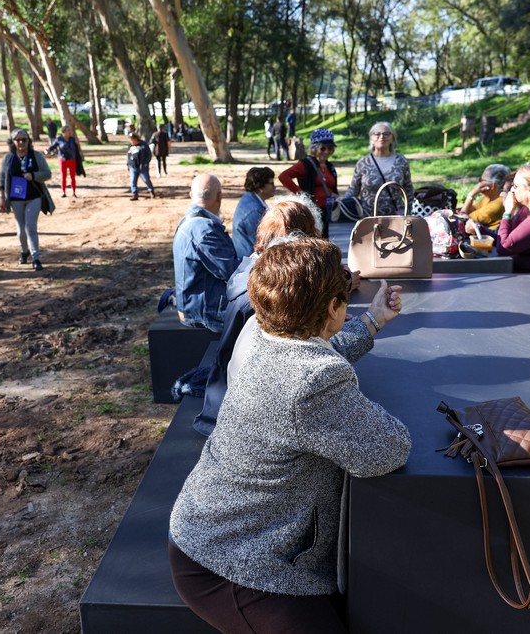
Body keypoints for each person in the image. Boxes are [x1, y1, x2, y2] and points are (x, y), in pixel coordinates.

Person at [169, 237, 411, 633]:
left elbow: (318, 350)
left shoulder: (266, 337)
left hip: (215, 530)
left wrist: (373, 320)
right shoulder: (312, 382)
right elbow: (388, 449)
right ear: (332, 307)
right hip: (232, 562)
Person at [196, 194, 325, 436]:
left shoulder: (254, 269)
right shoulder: (270, 291)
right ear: (300, 241)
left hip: (230, 388)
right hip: (243, 409)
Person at [172, 173, 240, 332]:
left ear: (191, 195)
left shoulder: (189, 220)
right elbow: (231, 272)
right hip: (205, 313)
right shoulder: (204, 230)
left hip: (194, 306)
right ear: (219, 196)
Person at [0, 128, 54, 271]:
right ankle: (24, 251)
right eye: (17, 140)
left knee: (30, 227)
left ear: (28, 141)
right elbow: (2, 178)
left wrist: (34, 176)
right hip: (16, 198)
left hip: (34, 197)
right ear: (12, 142)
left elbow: (47, 174)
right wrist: (2, 197)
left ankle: (36, 258)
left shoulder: (36, 156)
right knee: (21, 230)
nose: (21, 143)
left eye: (24, 139)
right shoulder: (8, 158)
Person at [343, 121, 413, 217]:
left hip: (396, 217)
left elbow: (408, 189)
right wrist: (341, 202)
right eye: (377, 134)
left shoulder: (401, 161)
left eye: (386, 134)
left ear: (392, 138)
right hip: (368, 217)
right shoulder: (363, 163)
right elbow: (353, 190)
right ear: (371, 138)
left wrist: (409, 211)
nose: (382, 137)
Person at [279, 128, 339, 239]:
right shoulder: (305, 164)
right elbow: (283, 176)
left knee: (325, 239)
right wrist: (300, 193)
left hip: (328, 210)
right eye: (323, 148)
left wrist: (336, 196)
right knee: (314, 238)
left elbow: (332, 187)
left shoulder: (330, 166)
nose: (327, 151)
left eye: (330, 148)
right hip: (312, 210)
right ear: (314, 148)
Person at [232, 166, 276, 259]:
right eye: (271, 183)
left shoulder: (251, 198)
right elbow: (261, 242)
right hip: (249, 260)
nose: (274, 187)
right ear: (260, 187)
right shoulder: (254, 210)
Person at [460, 164, 511, 230]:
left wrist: (471, 194)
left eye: (481, 180)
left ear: (492, 186)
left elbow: (463, 220)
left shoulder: (497, 204)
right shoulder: (489, 198)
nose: (479, 184)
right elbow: (469, 210)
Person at [46, 125, 80, 198]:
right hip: (63, 160)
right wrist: (48, 149)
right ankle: (63, 192)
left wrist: (77, 144)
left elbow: (77, 149)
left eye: (70, 130)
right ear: (64, 132)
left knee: (73, 177)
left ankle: (74, 192)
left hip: (72, 160)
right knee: (63, 176)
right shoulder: (59, 139)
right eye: (68, 130)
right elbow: (53, 146)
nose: (70, 132)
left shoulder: (72, 139)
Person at [126, 132, 155, 201]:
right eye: (130, 140)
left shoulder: (143, 145)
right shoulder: (130, 146)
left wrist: (145, 163)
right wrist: (128, 164)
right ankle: (134, 194)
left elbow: (149, 155)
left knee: (146, 179)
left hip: (142, 167)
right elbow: (128, 155)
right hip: (133, 166)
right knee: (133, 181)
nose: (131, 141)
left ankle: (151, 191)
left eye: (132, 140)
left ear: (136, 139)